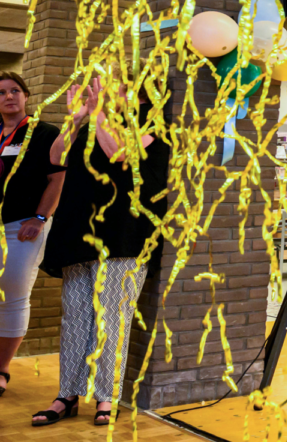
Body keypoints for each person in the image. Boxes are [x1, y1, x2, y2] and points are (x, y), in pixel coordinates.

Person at [33, 77, 170, 427]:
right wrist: (78, 119)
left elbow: (120, 154)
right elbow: (55, 156)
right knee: (75, 316)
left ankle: (106, 398)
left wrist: (96, 117)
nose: (107, 92)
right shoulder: (94, 121)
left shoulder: (153, 124)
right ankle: (67, 394)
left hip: (124, 235)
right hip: (80, 233)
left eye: (119, 86)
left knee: (111, 319)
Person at [0, 72, 66, 398]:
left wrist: (40, 217)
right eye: (1, 92)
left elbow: (57, 179)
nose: (8, 97)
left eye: (15, 90)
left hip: (22, 227)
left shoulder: (43, 133)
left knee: (13, 293)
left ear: (25, 96)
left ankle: (2, 369)